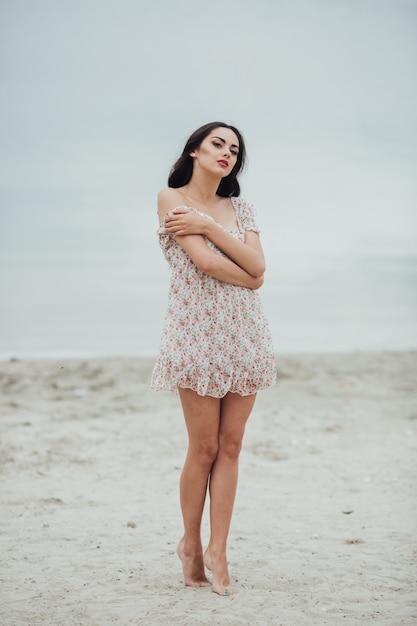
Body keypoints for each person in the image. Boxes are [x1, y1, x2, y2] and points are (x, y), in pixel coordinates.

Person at [150, 121, 276, 596]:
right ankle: (190, 542)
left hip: (245, 335)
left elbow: (260, 265)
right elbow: (207, 264)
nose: (227, 153)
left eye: (234, 149)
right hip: (195, 334)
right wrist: (245, 270)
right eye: (217, 144)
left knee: (232, 446)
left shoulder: (241, 206)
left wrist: (207, 226)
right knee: (202, 449)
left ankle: (218, 550)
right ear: (195, 151)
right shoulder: (170, 198)